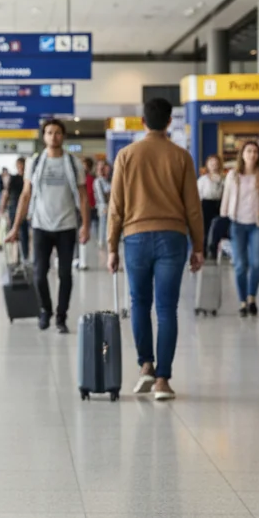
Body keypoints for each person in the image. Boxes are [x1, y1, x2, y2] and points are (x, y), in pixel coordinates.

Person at [107, 98, 204, 401]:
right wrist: (198, 246)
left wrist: (111, 245)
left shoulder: (126, 155)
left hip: (135, 237)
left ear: (143, 122)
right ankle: (163, 380)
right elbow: (193, 208)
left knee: (139, 304)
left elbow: (116, 207)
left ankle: (146, 366)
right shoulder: (181, 156)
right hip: (173, 237)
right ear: (169, 121)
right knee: (166, 309)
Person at [5, 119, 89, 334]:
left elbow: (82, 196)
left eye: (58, 132)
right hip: (41, 226)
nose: (54, 136)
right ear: (44, 137)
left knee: (65, 275)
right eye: (50, 133)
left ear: (63, 136)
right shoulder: (34, 163)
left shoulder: (73, 163)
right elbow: (25, 195)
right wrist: (15, 227)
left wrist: (86, 225)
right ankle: (46, 309)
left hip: (67, 226)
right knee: (39, 274)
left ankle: (61, 316)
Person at [220, 141, 259, 317]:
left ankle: (252, 297)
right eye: (249, 151)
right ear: (242, 154)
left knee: (256, 263)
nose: (252, 154)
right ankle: (242, 301)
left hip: (257, 224)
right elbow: (226, 198)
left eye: (255, 152)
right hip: (237, 223)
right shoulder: (233, 175)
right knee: (240, 264)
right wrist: (224, 218)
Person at [197, 154, 225, 256]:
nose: (214, 165)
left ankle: (214, 250)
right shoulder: (203, 180)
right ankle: (203, 250)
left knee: (217, 228)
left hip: (219, 204)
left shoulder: (223, 179)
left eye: (216, 163)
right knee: (205, 228)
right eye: (211, 163)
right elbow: (198, 194)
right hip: (206, 204)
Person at [95, 160, 112, 247]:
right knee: (103, 223)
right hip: (103, 207)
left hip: (111, 206)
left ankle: (109, 240)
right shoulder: (98, 181)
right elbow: (101, 196)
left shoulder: (109, 180)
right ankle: (102, 241)